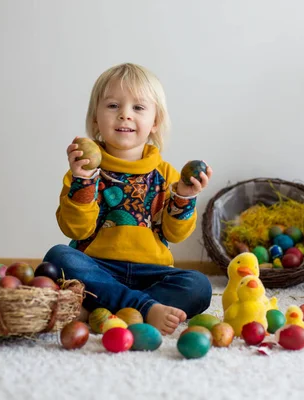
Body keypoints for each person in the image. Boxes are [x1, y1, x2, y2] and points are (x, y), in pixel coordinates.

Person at [43, 63, 213, 335]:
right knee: (59, 256)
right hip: (98, 269)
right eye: (113, 106)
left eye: (138, 108)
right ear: (96, 118)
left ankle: (103, 310)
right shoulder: (84, 170)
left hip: (152, 273)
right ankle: (144, 310)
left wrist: (185, 196)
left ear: (155, 121)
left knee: (199, 286)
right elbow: (75, 230)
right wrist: (83, 181)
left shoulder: (166, 174)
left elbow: (175, 233)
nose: (124, 115)